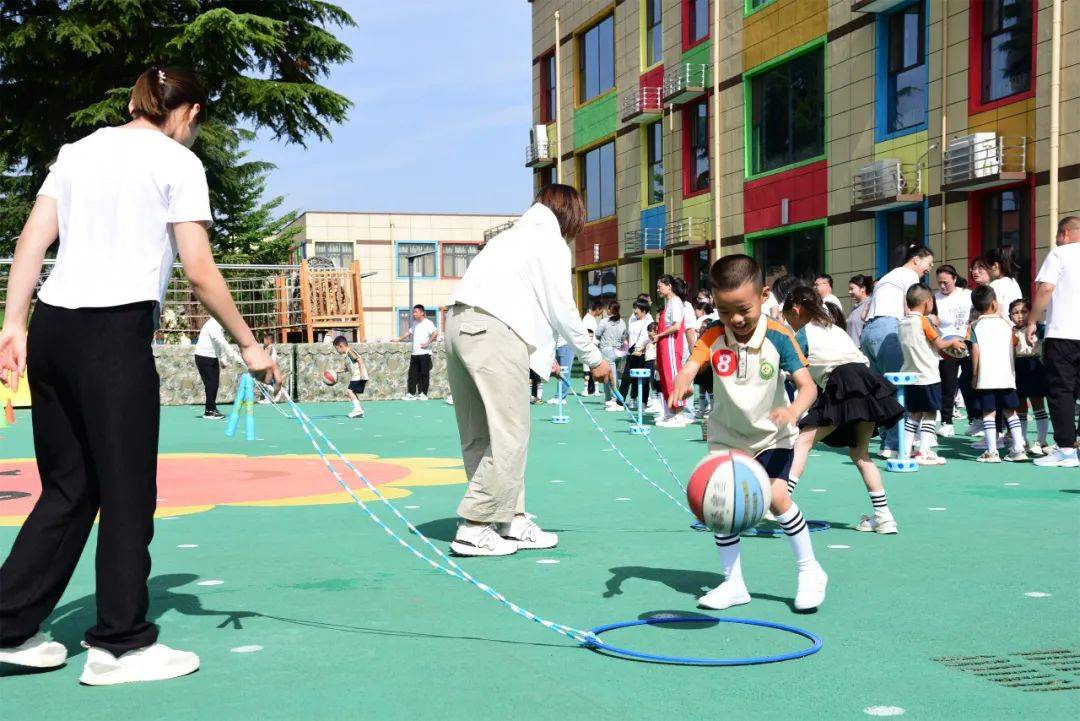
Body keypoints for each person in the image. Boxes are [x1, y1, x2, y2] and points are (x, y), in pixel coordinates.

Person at [0, 67, 277, 683]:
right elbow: (200, 270)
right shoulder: (178, 163)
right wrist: (252, 345)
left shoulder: (77, 151)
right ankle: (120, 644)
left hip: (52, 325)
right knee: (126, 492)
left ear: (134, 101)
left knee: (70, 489)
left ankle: (8, 627)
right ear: (190, 112)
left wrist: (13, 323)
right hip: (111, 335)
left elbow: (31, 241)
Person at [443, 184, 610, 556]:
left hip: (457, 326)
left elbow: (526, 300)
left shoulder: (509, 237)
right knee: (509, 436)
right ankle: (475, 527)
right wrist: (595, 359)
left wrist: (539, 357)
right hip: (495, 332)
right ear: (570, 214)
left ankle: (511, 520)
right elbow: (562, 309)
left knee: (479, 435)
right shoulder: (548, 240)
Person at [670, 255, 826, 612]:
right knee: (722, 505)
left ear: (764, 295)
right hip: (727, 435)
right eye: (725, 311)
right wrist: (682, 380)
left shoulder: (779, 335)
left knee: (776, 497)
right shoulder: (712, 333)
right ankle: (733, 583)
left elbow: (808, 388)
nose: (736, 319)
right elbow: (691, 366)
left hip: (772, 435)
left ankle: (809, 570)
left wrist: (792, 410)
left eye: (743, 309)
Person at [782, 287, 905, 533]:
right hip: (866, 383)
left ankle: (780, 501)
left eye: (788, 318)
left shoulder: (804, 334)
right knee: (860, 454)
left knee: (803, 441)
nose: (789, 324)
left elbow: (791, 368)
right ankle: (884, 516)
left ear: (796, 310)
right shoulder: (835, 329)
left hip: (843, 383)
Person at [860, 243, 936, 458]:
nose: (928, 269)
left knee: (880, 390)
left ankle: (887, 441)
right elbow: (909, 308)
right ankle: (894, 445)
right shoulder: (909, 276)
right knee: (896, 389)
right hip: (889, 330)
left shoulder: (887, 277)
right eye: (928, 264)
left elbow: (865, 313)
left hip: (869, 332)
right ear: (916, 260)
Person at [1026, 216, 1080, 468]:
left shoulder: (1061, 254)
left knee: (1062, 391)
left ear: (1065, 233)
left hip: (1065, 333)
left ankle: (1067, 450)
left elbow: (1045, 289)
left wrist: (1032, 321)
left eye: (1059, 234)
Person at [897, 284, 966, 464]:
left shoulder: (902, 322)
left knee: (913, 414)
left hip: (910, 375)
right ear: (928, 302)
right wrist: (954, 342)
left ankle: (905, 451)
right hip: (927, 374)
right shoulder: (923, 321)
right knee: (929, 414)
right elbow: (939, 344)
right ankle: (924, 452)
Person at [969, 285, 1028, 463]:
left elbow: (975, 351)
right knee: (1011, 411)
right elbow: (1014, 347)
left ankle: (992, 451)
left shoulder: (975, 326)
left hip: (986, 378)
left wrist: (974, 375)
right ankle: (1018, 448)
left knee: (989, 413)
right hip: (1006, 376)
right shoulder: (1006, 324)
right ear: (995, 303)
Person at [934, 265, 975, 437]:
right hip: (946, 347)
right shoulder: (934, 298)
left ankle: (975, 420)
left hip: (967, 344)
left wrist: (967, 335)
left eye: (946, 282)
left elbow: (974, 317)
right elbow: (932, 324)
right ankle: (946, 421)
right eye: (940, 283)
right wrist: (945, 342)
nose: (943, 286)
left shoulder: (967, 294)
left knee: (970, 382)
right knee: (948, 385)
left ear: (955, 279)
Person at [1009, 300, 1050, 455]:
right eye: (1015, 312)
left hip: (1034, 366)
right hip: (1016, 368)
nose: (1020, 316)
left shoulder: (1039, 329)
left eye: (1024, 311)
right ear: (1010, 315)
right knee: (1020, 407)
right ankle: (1022, 441)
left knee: (1038, 404)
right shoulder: (1009, 331)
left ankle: (1042, 440)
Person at [653, 274, 690, 427]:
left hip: (671, 343)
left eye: (660, 286)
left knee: (673, 376)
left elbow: (675, 326)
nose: (658, 290)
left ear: (669, 286)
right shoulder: (669, 303)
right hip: (664, 343)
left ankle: (679, 414)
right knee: (665, 377)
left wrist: (659, 335)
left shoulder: (675, 302)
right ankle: (670, 412)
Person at [193, 315, 243, 418]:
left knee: (213, 384)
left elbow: (219, 343)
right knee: (211, 384)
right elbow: (221, 341)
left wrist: (223, 359)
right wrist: (235, 357)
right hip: (204, 357)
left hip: (211, 357)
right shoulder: (213, 324)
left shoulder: (218, 325)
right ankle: (209, 411)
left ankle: (211, 408)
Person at [618, 298, 653, 409]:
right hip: (632, 351)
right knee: (626, 377)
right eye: (634, 308)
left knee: (642, 379)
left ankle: (643, 402)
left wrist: (642, 348)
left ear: (643, 310)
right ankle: (620, 402)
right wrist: (626, 344)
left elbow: (649, 336)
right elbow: (629, 333)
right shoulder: (632, 318)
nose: (634, 311)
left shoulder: (649, 319)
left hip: (643, 353)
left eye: (636, 308)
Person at [398, 304, 437, 400]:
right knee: (412, 374)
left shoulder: (428, 323)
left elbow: (435, 333)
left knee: (424, 374)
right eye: (413, 312)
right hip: (414, 353)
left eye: (416, 312)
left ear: (422, 313)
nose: (414, 314)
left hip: (424, 353)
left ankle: (424, 393)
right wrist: (398, 339)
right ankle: (411, 393)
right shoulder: (415, 323)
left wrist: (427, 343)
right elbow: (408, 333)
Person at [596, 301, 628, 410]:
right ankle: (613, 398)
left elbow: (597, 334)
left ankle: (611, 398)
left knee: (607, 376)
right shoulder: (622, 322)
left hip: (607, 350)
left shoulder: (604, 321)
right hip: (619, 351)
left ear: (610, 309)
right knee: (615, 376)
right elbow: (624, 336)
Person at [983, 247, 1024, 321]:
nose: (987, 270)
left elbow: (995, 313)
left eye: (987, 267)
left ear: (995, 266)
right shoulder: (1013, 282)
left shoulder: (996, 285)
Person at [333, 335, 368, 418]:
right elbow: (346, 369)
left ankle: (358, 409)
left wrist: (362, 373)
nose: (337, 351)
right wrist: (336, 371)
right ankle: (358, 410)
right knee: (352, 392)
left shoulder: (350, 351)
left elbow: (360, 360)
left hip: (359, 375)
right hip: (357, 376)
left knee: (349, 391)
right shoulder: (346, 355)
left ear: (341, 346)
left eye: (336, 348)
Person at [580, 300, 604, 396]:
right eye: (601, 311)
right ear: (597, 309)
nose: (601, 313)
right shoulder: (587, 319)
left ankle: (592, 389)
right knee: (590, 369)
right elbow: (589, 335)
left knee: (593, 369)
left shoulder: (591, 318)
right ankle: (588, 389)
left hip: (593, 346)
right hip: (590, 347)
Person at [257, 332, 287, 404]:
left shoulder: (270, 347)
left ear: (268, 340)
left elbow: (266, 356)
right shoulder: (267, 347)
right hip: (269, 368)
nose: (263, 342)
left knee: (266, 383)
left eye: (264, 340)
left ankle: (277, 393)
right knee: (268, 383)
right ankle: (269, 397)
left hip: (271, 368)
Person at [846, 274, 874, 346]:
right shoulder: (855, 307)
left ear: (863, 289)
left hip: (861, 350)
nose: (849, 292)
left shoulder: (870, 304)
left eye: (852, 289)